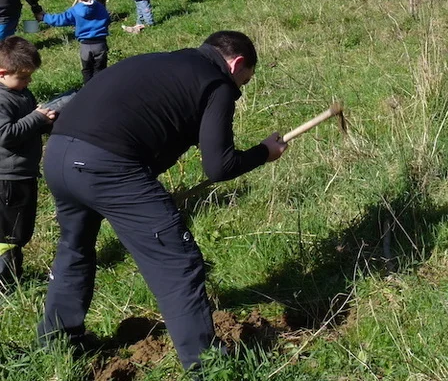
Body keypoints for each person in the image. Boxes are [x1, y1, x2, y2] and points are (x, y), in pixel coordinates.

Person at [37, 31, 288, 372]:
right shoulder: (216, 83)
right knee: (177, 261)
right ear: (236, 63)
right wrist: (263, 152)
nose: (239, 90)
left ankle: (56, 343)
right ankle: (208, 367)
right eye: (243, 81)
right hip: (106, 165)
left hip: (58, 156)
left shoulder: (161, 62)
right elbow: (220, 166)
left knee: (74, 248)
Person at [0, 37, 56, 288]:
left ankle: (13, 273)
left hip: (24, 173)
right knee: (10, 233)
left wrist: (45, 121)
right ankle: (6, 281)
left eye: (30, 77)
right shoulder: (2, 99)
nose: (28, 82)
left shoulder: (22, 93)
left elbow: (27, 127)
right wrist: (35, 118)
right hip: (8, 178)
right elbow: (6, 135)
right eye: (23, 77)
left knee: (20, 229)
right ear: (2, 73)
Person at [43, 0, 111, 84]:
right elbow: (107, 19)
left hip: (85, 46)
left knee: (87, 70)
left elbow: (60, 19)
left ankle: (88, 89)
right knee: (100, 70)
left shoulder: (75, 10)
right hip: (100, 44)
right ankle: (101, 88)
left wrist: (44, 17)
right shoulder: (100, 7)